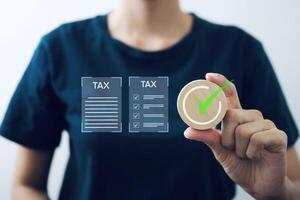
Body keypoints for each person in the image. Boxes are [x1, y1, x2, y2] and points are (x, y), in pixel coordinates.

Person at [1, 0, 300, 199]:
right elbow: (26, 184)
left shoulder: (240, 51)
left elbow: (293, 186)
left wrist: (278, 194)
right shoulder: (60, 49)